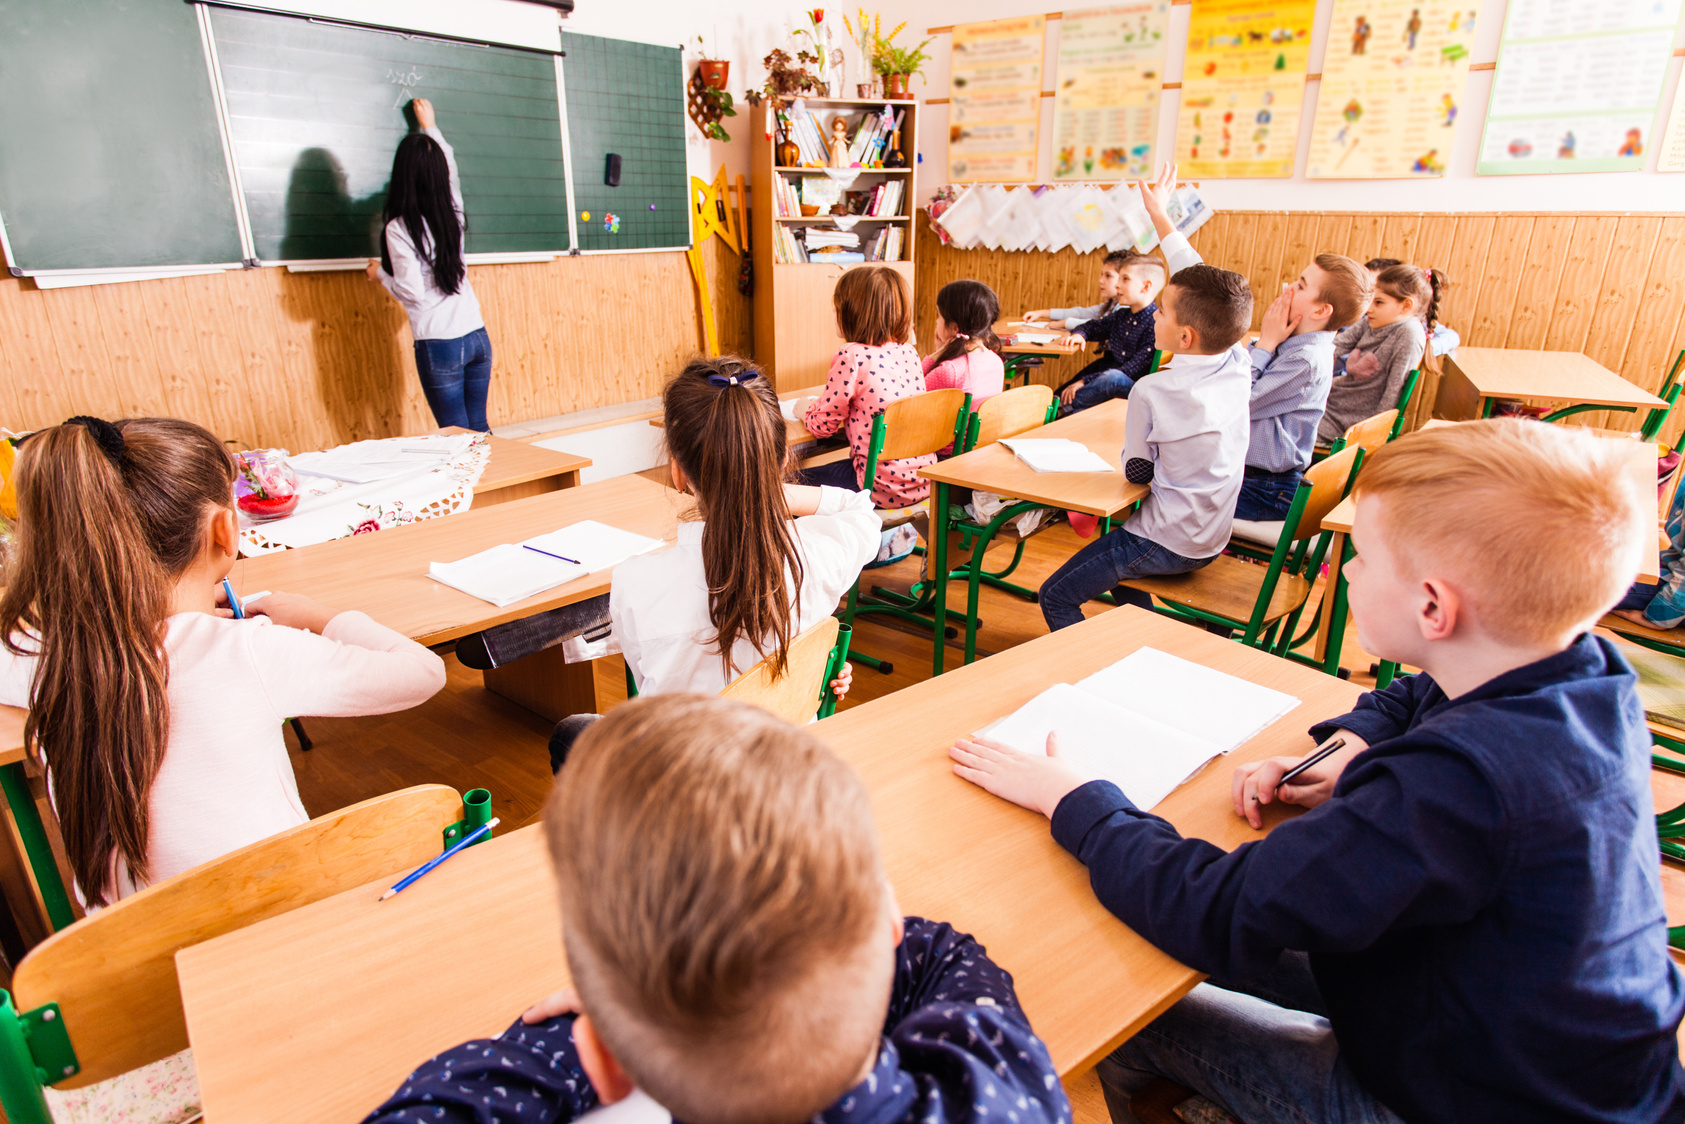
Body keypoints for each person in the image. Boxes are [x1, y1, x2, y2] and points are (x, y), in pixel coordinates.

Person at [951, 419, 1685, 1123]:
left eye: (1358, 556)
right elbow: (1412, 695)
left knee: (1122, 1010)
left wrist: (1076, 798)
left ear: (1432, 606)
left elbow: (1216, 911)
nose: (1346, 570)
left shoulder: (1451, 787)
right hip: (1546, 1046)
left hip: (1455, 1096)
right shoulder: (1582, 672)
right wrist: (1348, 748)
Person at [364, 694, 1072, 1124]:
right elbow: (953, 959)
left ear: (609, 1065)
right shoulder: (1000, 1090)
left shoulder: (603, 1056)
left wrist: (629, 1013)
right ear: (884, 929)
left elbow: (447, 1105)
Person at [0, 417, 446, 907]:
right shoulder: (247, 650)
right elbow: (421, 672)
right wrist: (316, 615)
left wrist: (164, 614)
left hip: (129, 953)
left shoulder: (40, 657)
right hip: (271, 923)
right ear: (225, 529)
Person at [548, 356, 878, 771]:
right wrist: (767, 490)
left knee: (571, 732)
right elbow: (862, 511)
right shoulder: (819, 554)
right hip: (789, 773)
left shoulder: (635, 581)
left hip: (683, 784)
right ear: (778, 461)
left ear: (678, 470)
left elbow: (649, 683)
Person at [1037, 193, 1253, 632]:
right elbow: (1201, 280)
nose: (1154, 315)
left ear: (1186, 336)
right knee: (1115, 567)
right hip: (1213, 534)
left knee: (1055, 595)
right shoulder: (1237, 361)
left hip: (1165, 540)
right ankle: (1144, 639)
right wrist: (1159, 216)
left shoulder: (1153, 390)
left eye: (1164, 312)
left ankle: (1104, 677)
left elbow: (1136, 472)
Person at [1137, 167, 1366, 522]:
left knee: (1152, 486)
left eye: (1302, 286)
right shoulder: (1293, 341)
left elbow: (1234, 400)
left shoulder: (1307, 357)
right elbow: (1202, 285)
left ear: (1322, 310)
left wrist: (1267, 344)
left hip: (1267, 489)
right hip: (1249, 475)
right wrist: (1160, 216)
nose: (1289, 286)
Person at [367, 97, 493, 431]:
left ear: (402, 176)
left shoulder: (400, 228)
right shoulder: (452, 208)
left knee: (457, 437)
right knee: (479, 429)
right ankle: (499, 483)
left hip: (440, 344)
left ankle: (479, 485)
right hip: (476, 333)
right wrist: (430, 126)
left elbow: (412, 291)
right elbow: (448, 166)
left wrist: (379, 274)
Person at [793, 265, 930, 508]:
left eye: (837, 308)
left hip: (877, 486)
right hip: (923, 481)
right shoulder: (909, 352)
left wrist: (803, 409)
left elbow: (822, 426)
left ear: (852, 313)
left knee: (788, 485)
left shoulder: (852, 355)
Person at [1316, 264, 1429, 443]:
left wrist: (1371, 439)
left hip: (1350, 421)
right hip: (1331, 400)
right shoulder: (1373, 320)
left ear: (1406, 306)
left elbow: (1392, 395)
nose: (1369, 308)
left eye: (1379, 302)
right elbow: (1333, 347)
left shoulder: (1409, 334)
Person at [1051, 252, 1167, 413]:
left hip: (1132, 388)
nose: (1118, 285)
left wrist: (1085, 381)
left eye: (1125, 279)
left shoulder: (1155, 324)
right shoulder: (1121, 316)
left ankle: (1058, 409)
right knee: (1071, 403)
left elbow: (1131, 370)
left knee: (1113, 378)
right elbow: (1092, 327)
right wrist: (1080, 334)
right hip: (1106, 381)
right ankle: (1057, 408)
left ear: (1145, 287)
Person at [922, 278, 1006, 410]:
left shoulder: (949, 371)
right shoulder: (996, 361)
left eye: (938, 315)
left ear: (955, 328)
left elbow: (910, 395)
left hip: (951, 431)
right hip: (984, 431)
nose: (937, 321)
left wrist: (936, 355)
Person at [1364, 257, 1456, 357]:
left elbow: (1452, 337)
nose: (1370, 292)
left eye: (1377, 287)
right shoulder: (1360, 314)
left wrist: (1415, 349)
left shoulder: (1412, 325)